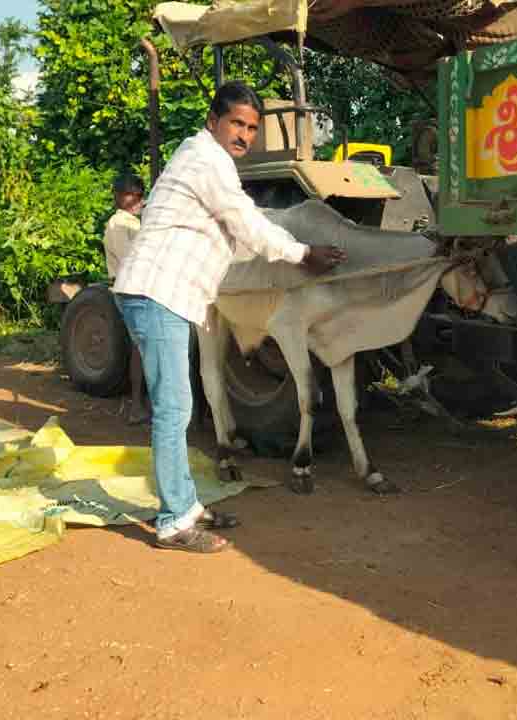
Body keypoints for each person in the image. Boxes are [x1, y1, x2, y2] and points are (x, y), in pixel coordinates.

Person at [113, 80, 346, 554]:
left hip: (168, 296)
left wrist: (280, 254)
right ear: (212, 121)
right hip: (158, 293)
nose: (244, 135)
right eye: (236, 123)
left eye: (252, 128)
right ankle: (173, 523)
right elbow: (245, 222)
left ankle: (187, 506)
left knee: (177, 407)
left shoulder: (210, 162)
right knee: (175, 409)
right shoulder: (206, 160)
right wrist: (302, 253)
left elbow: (239, 236)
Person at [103, 172, 150, 425]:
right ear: (120, 197)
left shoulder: (134, 222)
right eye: (134, 194)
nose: (138, 199)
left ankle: (140, 405)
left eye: (140, 194)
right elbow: (130, 259)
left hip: (139, 288)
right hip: (131, 290)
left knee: (141, 348)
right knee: (144, 348)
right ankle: (137, 406)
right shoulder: (117, 224)